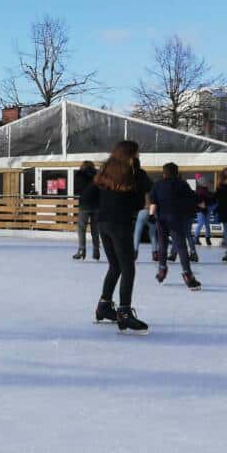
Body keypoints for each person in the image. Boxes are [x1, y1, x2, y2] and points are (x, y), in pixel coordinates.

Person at [82, 142, 151, 334]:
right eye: (137, 153)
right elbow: (139, 201)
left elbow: (87, 196)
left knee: (116, 265)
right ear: (131, 155)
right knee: (127, 266)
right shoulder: (133, 174)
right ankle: (124, 311)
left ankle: (104, 305)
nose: (138, 156)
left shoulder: (105, 172)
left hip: (103, 222)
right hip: (119, 224)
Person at [149, 162, 201, 290]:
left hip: (161, 219)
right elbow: (192, 198)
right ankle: (188, 275)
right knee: (181, 246)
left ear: (164, 173)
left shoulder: (158, 184)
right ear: (177, 173)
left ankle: (162, 271)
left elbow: (153, 202)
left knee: (162, 244)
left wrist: (151, 215)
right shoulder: (182, 184)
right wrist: (201, 204)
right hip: (176, 219)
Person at [72, 160, 100, 260]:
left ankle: (81, 250)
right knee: (95, 229)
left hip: (84, 204)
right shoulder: (98, 175)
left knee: (81, 229)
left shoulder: (79, 175)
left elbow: (76, 190)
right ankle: (96, 251)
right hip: (96, 204)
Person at [133, 192, 159, 261]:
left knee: (137, 233)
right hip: (153, 212)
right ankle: (155, 253)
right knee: (152, 234)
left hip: (143, 211)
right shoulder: (156, 194)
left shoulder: (144, 194)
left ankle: (135, 252)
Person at [194, 180, 213, 247]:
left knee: (207, 224)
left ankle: (207, 238)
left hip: (207, 209)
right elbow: (197, 200)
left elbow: (210, 199)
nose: (207, 183)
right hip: (200, 210)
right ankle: (196, 238)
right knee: (201, 223)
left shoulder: (206, 191)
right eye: (205, 182)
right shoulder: (198, 191)